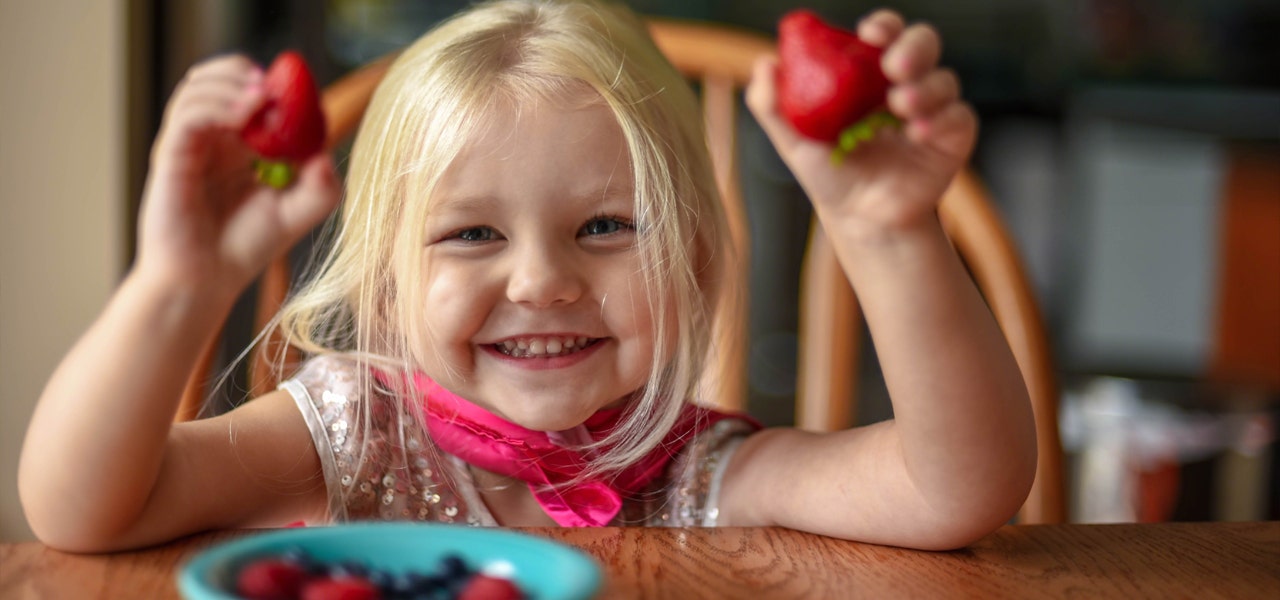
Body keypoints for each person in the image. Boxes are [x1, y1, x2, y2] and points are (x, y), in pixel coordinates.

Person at [19, 0, 1037, 553]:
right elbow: (79, 512)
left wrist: (890, 233)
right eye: (469, 236)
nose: (543, 281)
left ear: (687, 258)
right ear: (384, 285)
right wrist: (174, 283)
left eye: (604, 225)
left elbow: (953, 491)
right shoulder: (348, 434)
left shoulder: (698, 471)